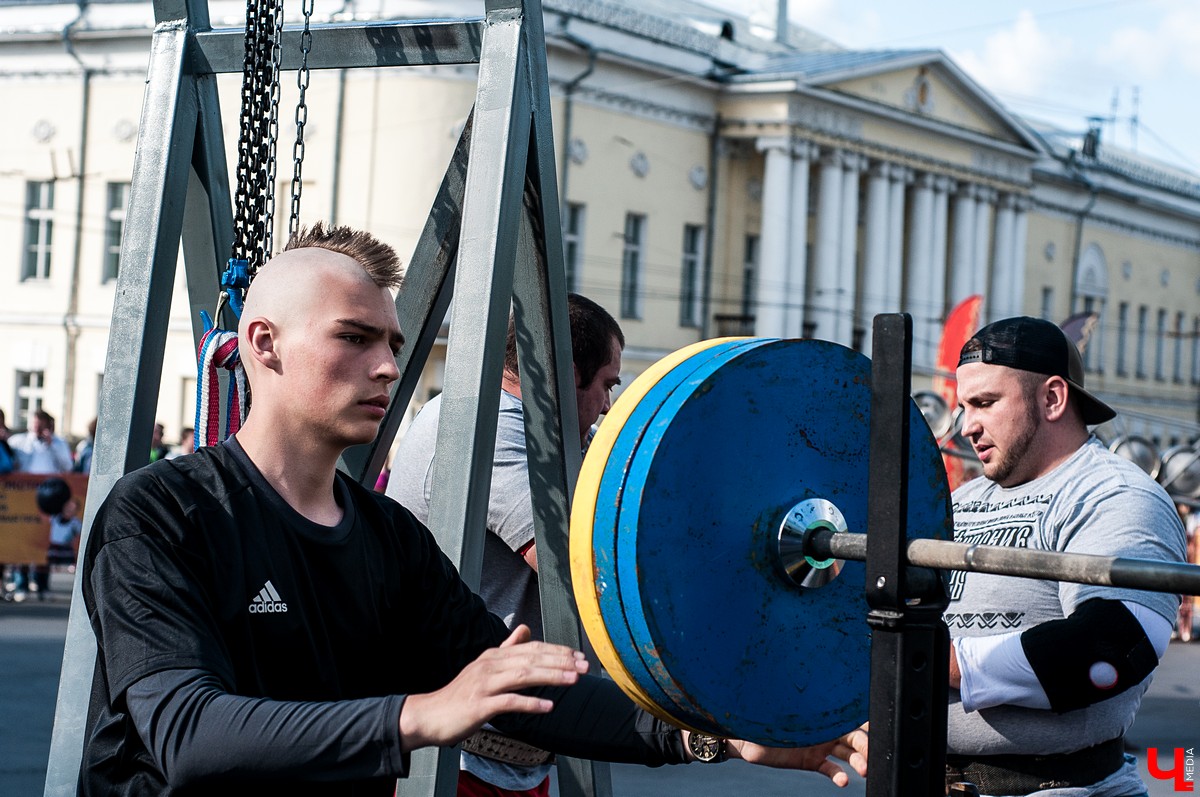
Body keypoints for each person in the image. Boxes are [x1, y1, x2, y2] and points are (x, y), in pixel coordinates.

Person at [80, 222, 867, 795]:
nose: (389, 364)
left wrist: (711, 733)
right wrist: (420, 713)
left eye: (391, 340)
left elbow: (523, 690)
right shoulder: (160, 513)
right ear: (265, 343)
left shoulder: (385, 535)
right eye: (354, 337)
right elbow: (185, 734)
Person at [388, 293, 622, 796]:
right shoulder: (485, 427)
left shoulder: (543, 434)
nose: (606, 406)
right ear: (568, 371)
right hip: (457, 761)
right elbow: (581, 572)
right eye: (606, 385)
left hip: (509, 751)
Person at [945, 316, 1187, 797]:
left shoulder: (1114, 493)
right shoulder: (961, 499)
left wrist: (935, 664)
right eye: (963, 406)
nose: (967, 425)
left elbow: (1116, 643)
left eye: (985, 403)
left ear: (1052, 398)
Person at [9, 409, 73, 474]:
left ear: (48, 426)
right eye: (35, 425)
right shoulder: (17, 440)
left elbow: (67, 467)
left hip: (49, 482)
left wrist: (52, 445)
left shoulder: (59, 443)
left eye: (41, 426)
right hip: (25, 482)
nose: (38, 429)